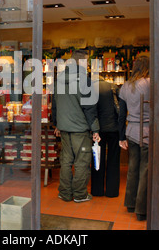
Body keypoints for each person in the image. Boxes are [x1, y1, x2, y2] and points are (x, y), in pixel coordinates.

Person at [52, 62, 100, 203]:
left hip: (64, 129)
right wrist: (95, 129)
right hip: (80, 129)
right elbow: (89, 108)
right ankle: (80, 194)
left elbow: (54, 106)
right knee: (82, 161)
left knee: (66, 161)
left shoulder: (58, 82)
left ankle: (65, 193)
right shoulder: (84, 82)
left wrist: (57, 124)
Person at [119, 55, 150, 221]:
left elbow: (122, 114)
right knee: (145, 169)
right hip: (148, 131)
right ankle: (141, 209)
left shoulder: (125, 86)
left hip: (131, 130)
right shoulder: (151, 83)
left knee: (132, 167)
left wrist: (121, 136)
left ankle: (130, 203)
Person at [91, 76, 122, 197]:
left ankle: (97, 190)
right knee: (114, 160)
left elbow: (91, 111)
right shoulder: (113, 87)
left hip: (98, 129)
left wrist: (94, 129)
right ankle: (112, 191)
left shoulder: (91, 88)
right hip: (114, 128)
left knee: (97, 159)